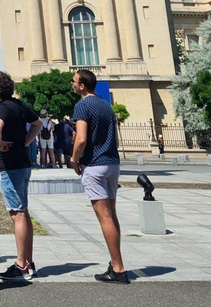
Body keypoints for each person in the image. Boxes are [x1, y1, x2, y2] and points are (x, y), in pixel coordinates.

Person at [70, 69, 130, 284]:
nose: (72, 84)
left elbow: (81, 138)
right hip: (112, 164)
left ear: (83, 85)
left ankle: (118, 268)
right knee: (112, 216)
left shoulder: (83, 106)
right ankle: (116, 261)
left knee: (104, 218)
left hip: (94, 165)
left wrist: (74, 159)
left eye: (74, 81)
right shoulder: (106, 105)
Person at [0, 71, 42, 281]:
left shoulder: (3, 107)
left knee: (17, 213)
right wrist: (27, 141)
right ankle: (28, 262)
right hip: (23, 164)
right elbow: (38, 123)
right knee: (24, 211)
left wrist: (0, 142)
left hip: (11, 166)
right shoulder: (19, 105)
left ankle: (20, 264)